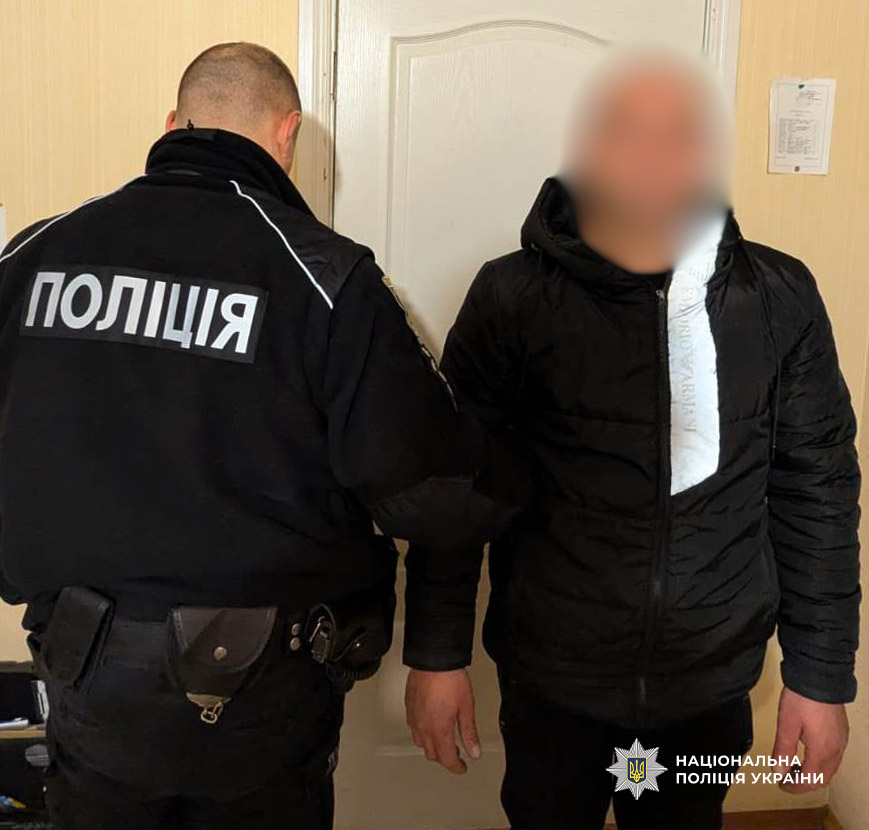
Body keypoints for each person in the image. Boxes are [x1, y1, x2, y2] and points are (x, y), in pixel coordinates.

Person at [0, 42, 507, 830]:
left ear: (172, 123)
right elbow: (433, 490)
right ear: (286, 133)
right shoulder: (324, 276)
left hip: (86, 667)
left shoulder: (33, 255)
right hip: (258, 690)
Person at [405, 47, 861, 830]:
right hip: (554, 683)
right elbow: (456, 488)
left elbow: (815, 489)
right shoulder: (511, 296)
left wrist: (819, 678)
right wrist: (436, 654)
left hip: (706, 689)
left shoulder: (777, 297)